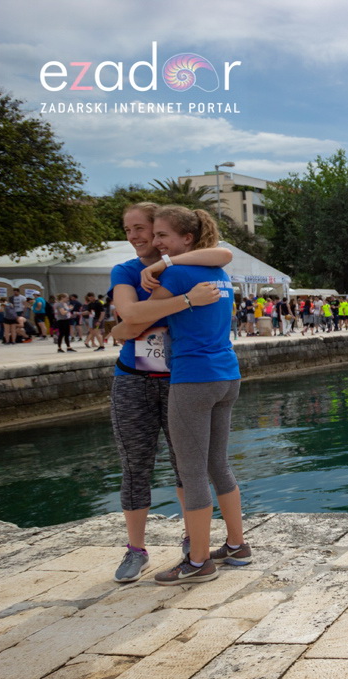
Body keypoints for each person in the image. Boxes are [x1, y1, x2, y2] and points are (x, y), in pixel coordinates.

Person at [111, 206, 250, 585]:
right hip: (223, 374)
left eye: (157, 233)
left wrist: (168, 284)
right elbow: (221, 256)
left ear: (184, 238)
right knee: (215, 464)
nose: (149, 240)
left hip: (190, 379)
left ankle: (198, 559)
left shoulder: (177, 272)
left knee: (190, 472)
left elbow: (129, 323)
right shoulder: (212, 273)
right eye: (137, 231)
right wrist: (186, 298)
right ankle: (237, 545)